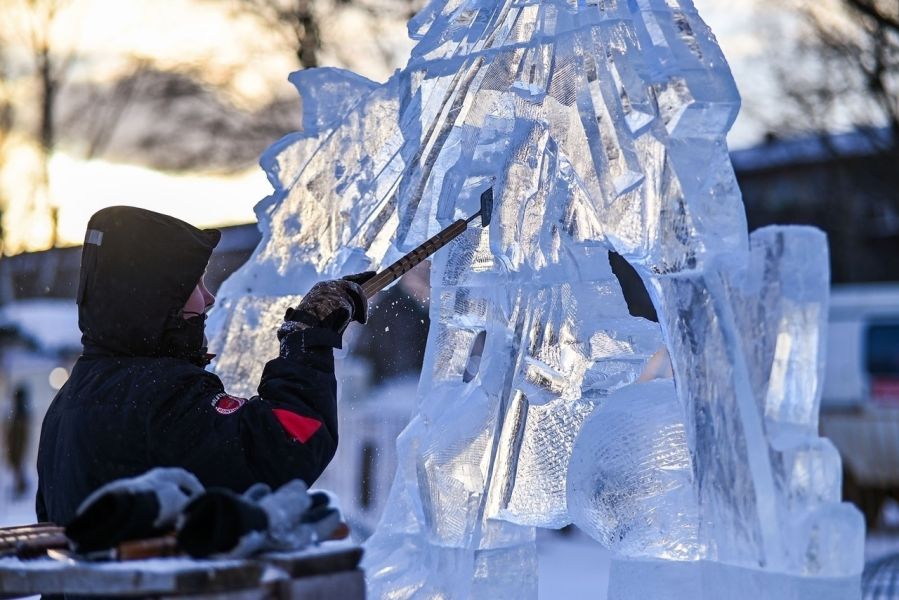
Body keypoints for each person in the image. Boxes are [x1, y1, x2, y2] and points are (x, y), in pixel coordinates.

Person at [36, 206, 370, 526]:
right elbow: (288, 445)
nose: (208, 297)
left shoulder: (71, 397)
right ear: (157, 299)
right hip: (154, 587)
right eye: (194, 284)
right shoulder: (161, 395)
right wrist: (306, 338)